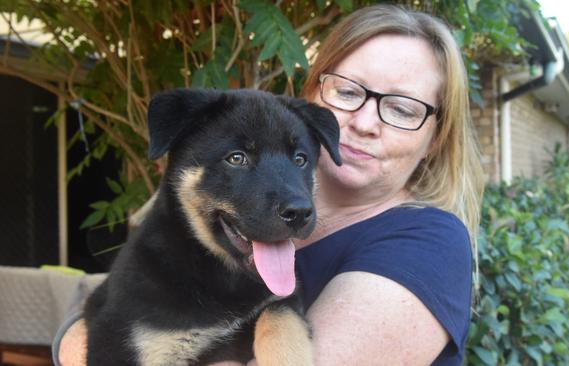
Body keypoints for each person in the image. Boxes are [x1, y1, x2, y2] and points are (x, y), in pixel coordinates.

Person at [55, 4, 484, 365]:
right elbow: (101, 316)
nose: (365, 122)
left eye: (403, 108)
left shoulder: (427, 242)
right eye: (349, 92)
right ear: (315, 92)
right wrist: (81, 341)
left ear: (435, 137)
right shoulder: (205, 222)